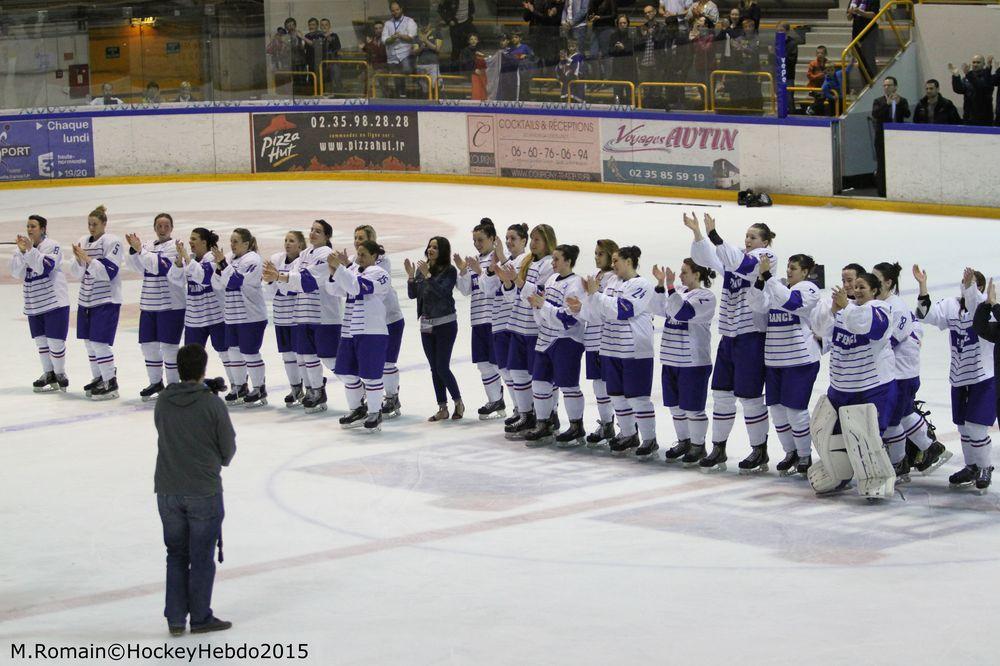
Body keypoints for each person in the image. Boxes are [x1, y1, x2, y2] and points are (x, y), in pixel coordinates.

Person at [154, 343, 235, 637]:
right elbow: (228, 449)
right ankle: (200, 617)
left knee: (176, 554)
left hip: (168, 489)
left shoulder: (163, 400)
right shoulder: (213, 404)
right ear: (203, 369)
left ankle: (176, 619)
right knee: (201, 556)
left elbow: (164, 429)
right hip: (202, 490)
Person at [688, 212, 776, 472]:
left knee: (749, 397)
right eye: (747, 236)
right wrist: (698, 235)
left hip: (751, 336)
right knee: (722, 395)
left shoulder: (767, 258)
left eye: (754, 237)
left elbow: (745, 266)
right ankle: (719, 447)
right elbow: (706, 258)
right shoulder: (733, 254)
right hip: (728, 336)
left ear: (765, 241)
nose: (748, 240)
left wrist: (716, 237)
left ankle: (759, 450)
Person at [914, 265, 995, 492]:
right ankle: (971, 466)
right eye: (963, 282)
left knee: (976, 427)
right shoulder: (951, 305)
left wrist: (972, 289)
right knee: (962, 427)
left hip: (983, 377)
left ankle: (985, 467)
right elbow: (926, 315)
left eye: (969, 283)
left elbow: (975, 305)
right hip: (959, 376)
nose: (964, 286)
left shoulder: (986, 309)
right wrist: (922, 286)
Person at [571, 246, 657, 456]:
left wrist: (595, 296)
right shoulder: (611, 282)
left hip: (633, 349)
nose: (613, 264)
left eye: (617, 260)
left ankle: (649, 439)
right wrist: (581, 307)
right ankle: (628, 434)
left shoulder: (642, 285)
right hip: (610, 347)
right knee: (616, 395)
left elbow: (624, 309)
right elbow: (598, 312)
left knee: (637, 398)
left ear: (629, 262)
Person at [871, 262, 949, 481]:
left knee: (892, 421)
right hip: (899, 373)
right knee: (904, 412)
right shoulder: (883, 303)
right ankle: (929, 448)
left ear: (888, 282)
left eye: (876, 278)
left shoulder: (895, 307)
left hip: (901, 375)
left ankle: (900, 463)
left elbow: (889, 341)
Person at [747, 254, 821, 475]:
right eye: (788, 267)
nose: (789, 271)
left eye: (795, 268)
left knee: (795, 411)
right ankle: (791, 452)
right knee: (778, 412)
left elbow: (793, 302)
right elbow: (757, 305)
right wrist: (760, 280)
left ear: (806, 272)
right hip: (774, 359)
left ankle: (805, 455)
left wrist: (768, 278)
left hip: (800, 360)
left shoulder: (809, 289)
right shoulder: (776, 285)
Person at [262, 221, 338, 414]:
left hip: (323, 316)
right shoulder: (304, 255)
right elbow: (288, 286)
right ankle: (316, 392)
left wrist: (280, 277)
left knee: (331, 361)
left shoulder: (327, 255)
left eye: (318, 231)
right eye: (312, 230)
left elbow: (309, 281)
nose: (313, 233)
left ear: (327, 236)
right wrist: (275, 278)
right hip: (302, 314)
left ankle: (359, 388)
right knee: (307, 357)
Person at [650, 258, 716, 465]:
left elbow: (682, 312)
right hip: (670, 358)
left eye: (685, 272)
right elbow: (656, 307)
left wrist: (670, 288)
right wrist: (661, 284)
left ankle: (698, 445)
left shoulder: (706, 297)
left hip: (693, 361)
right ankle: (684, 441)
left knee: (693, 408)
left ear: (697, 275)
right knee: (676, 406)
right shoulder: (677, 291)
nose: (680, 276)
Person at [521, 244, 587, 446]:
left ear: (568, 261)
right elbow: (541, 309)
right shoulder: (550, 280)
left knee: (568, 385)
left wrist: (544, 307)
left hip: (566, 341)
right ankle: (544, 423)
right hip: (545, 338)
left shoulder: (576, 284)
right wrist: (540, 309)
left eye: (557, 259)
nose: (553, 262)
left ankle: (576, 426)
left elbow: (570, 318)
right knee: (539, 383)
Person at [498, 225, 557, 439]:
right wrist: (507, 282)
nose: (532, 243)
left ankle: (549, 414)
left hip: (535, 328)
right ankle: (526, 414)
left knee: (539, 376)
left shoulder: (550, 264)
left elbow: (538, 295)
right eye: (532, 239)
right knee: (517, 372)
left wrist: (518, 282)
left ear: (548, 242)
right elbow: (512, 295)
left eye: (537, 240)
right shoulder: (526, 261)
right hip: (517, 323)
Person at [328, 242, 393, 432]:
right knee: (345, 372)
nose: (360, 257)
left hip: (371, 331)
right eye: (358, 254)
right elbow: (335, 289)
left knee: (371, 375)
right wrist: (334, 271)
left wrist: (340, 268)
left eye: (364, 254)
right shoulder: (353, 271)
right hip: (349, 331)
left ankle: (375, 412)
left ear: (374, 256)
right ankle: (357, 408)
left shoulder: (379, 273)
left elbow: (357, 287)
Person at [125, 214, 187, 401]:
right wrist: (134, 250)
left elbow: (161, 267)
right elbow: (136, 266)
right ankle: (155, 382)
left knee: (169, 347)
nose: (162, 228)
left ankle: (174, 385)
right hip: (149, 303)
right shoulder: (149, 247)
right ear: (154, 227)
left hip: (171, 305)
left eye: (166, 225)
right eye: (159, 225)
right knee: (148, 346)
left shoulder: (175, 247)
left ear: (172, 227)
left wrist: (141, 251)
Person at [68, 205, 123, 400]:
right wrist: (78, 259)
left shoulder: (113, 242)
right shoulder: (83, 241)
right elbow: (76, 273)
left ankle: (110, 381)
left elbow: (109, 272)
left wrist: (87, 259)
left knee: (100, 343)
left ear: (104, 224)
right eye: (89, 224)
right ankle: (99, 376)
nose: (91, 228)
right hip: (86, 299)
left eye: (95, 224)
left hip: (106, 299)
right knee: (89, 343)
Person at [10, 215, 70, 392]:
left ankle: (60, 373)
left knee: (55, 341)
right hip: (34, 302)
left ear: (43, 229)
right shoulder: (22, 249)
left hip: (54, 301)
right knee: (41, 342)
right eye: (28, 226)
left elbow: (45, 267)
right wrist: (22, 252)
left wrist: (30, 251)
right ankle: (48, 373)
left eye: (33, 226)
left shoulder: (53, 246)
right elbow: (16, 273)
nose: (29, 229)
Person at [406, 237, 464, 421]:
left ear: (443, 251)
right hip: (426, 324)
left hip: (446, 323)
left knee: (442, 366)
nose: (430, 249)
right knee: (434, 368)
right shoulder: (422, 269)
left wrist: (428, 276)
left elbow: (443, 292)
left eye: (435, 247)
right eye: (429, 246)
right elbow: (413, 295)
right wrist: (410, 277)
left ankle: (458, 402)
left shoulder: (449, 271)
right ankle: (442, 407)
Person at [455, 220, 507, 419]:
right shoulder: (474, 261)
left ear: (493, 239)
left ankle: (516, 402)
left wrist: (478, 271)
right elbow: (466, 290)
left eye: (481, 240)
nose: (477, 244)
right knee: (483, 364)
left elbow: (495, 287)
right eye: (475, 240)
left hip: (495, 318)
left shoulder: (499, 260)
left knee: (498, 363)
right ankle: (495, 400)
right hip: (477, 318)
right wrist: (462, 270)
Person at [352, 225, 405, 419]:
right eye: (355, 238)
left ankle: (392, 397)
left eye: (362, 238)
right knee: (370, 364)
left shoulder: (382, 263)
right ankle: (371, 398)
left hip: (390, 319)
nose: (357, 241)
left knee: (387, 363)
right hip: (368, 324)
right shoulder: (354, 262)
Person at [211, 228, 268, 407]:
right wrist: (222, 266)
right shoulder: (227, 258)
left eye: (236, 241)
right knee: (233, 353)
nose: (232, 245)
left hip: (251, 315)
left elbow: (236, 281)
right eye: (231, 241)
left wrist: (222, 265)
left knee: (250, 353)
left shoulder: (253, 259)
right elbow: (216, 283)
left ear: (246, 243)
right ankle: (240, 386)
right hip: (232, 314)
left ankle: (259, 388)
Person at [168, 229, 231, 388]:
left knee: (225, 351)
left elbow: (204, 278)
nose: (190, 242)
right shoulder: (190, 260)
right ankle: (192, 386)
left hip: (215, 315)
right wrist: (179, 261)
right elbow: (174, 280)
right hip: (194, 317)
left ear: (204, 242)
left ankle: (238, 385)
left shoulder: (212, 258)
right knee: (191, 356)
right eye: (190, 239)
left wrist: (187, 259)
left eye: (194, 239)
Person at [481, 224, 529, 427]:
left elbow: (514, 286)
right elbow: (486, 288)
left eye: (513, 239)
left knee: (518, 371)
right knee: (505, 370)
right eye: (507, 238)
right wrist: (492, 271)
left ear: (523, 241)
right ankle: (518, 408)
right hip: (498, 321)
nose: (509, 242)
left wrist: (501, 259)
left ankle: (527, 410)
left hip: (515, 322)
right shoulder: (504, 260)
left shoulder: (525, 261)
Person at [262, 231, 306, 407]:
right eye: (286, 240)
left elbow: (293, 288)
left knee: (301, 356)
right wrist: (273, 280)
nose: (287, 244)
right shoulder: (277, 260)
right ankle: (295, 388)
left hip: (297, 317)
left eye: (292, 241)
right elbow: (270, 292)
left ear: (300, 245)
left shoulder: (302, 262)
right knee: (287, 355)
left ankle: (311, 388)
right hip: (280, 316)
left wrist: (277, 278)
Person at [582, 240, 620, 447]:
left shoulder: (612, 278)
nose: (596, 257)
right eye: (595, 253)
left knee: (609, 385)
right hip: (593, 338)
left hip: (604, 339)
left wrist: (590, 294)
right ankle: (607, 423)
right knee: (598, 385)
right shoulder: (598, 276)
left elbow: (603, 307)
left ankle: (623, 425)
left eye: (600, 254)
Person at [871, 76, 909, 197]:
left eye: (889, 85)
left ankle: (898, 188)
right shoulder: (878, 101)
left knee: (898, 163)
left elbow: (907, 114)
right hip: (882, 137)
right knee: (882, 164)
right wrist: (887, 105)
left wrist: (899, 105)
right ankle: (882, 191)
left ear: (895, 87)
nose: (887, 87)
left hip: (898, 137)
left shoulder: (902, 101)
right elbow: (876, 114)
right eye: (885, 85)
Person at [382, 2, 418, 98]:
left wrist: (400, 35)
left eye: (397, 10)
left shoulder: (409, 21)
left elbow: (411, 37)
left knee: (406, 71)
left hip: (406, 55)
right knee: (397, 80)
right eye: (393, 11)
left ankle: (413, 95)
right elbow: (384, 40)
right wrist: (393, 38)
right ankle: (401, 96)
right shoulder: (388, 23)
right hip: (392, 56)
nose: (395, 12)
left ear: (401, 9)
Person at [950, 55, 996, 126]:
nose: (975, 65)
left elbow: (980, 87)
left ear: (983, 64)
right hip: (968, 117)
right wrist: (956, 77)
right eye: (974, 62)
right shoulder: (967, 78)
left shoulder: (988, 78)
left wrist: (968, 74)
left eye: (978, 62)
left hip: (984, 119)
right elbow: (959, 90)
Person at [847, 0, 879, 83]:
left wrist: (860, 12)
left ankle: (874, 82)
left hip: (869, 32)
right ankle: (865, 85)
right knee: (860, 61)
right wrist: (850, 13)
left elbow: (873, 15)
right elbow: (849, 18)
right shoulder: (854, 1)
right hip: (857, 33)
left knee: (869, 60)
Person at [438, 0, 476, 66]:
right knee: (456, 48)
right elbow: (441, 9)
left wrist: (470, 17)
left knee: (468, 45)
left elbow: (472, 9)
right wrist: (449, 20)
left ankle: (468, 65)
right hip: (455, 25)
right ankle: (454, 68)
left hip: (466, 23)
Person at [609, 15, 636, 104]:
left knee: (630, 96)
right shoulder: (613, 36)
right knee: (617, 95)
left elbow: (635, 50)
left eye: (624, 23)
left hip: (629, 69)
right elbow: (609, 51)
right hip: (617, 70)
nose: (622, 25)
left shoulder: (633, 35)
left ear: (628, 24)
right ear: (617, 25)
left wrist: (624, 48)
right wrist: (617, 48)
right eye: (620, 23)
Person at [413, 21, 443, 97]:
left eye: (426, 25)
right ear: (419, 25)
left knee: (436, 85)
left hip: (433, 64)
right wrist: (421, 48)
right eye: (422, 25)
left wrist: (426, 41)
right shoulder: (416, 37)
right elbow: (415, 52)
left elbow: (437, 49)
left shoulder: (437, 33)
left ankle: (437, 104)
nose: (424, 27)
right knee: (424, 89)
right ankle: (425, 105)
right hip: (421, 65)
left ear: (429, 24)